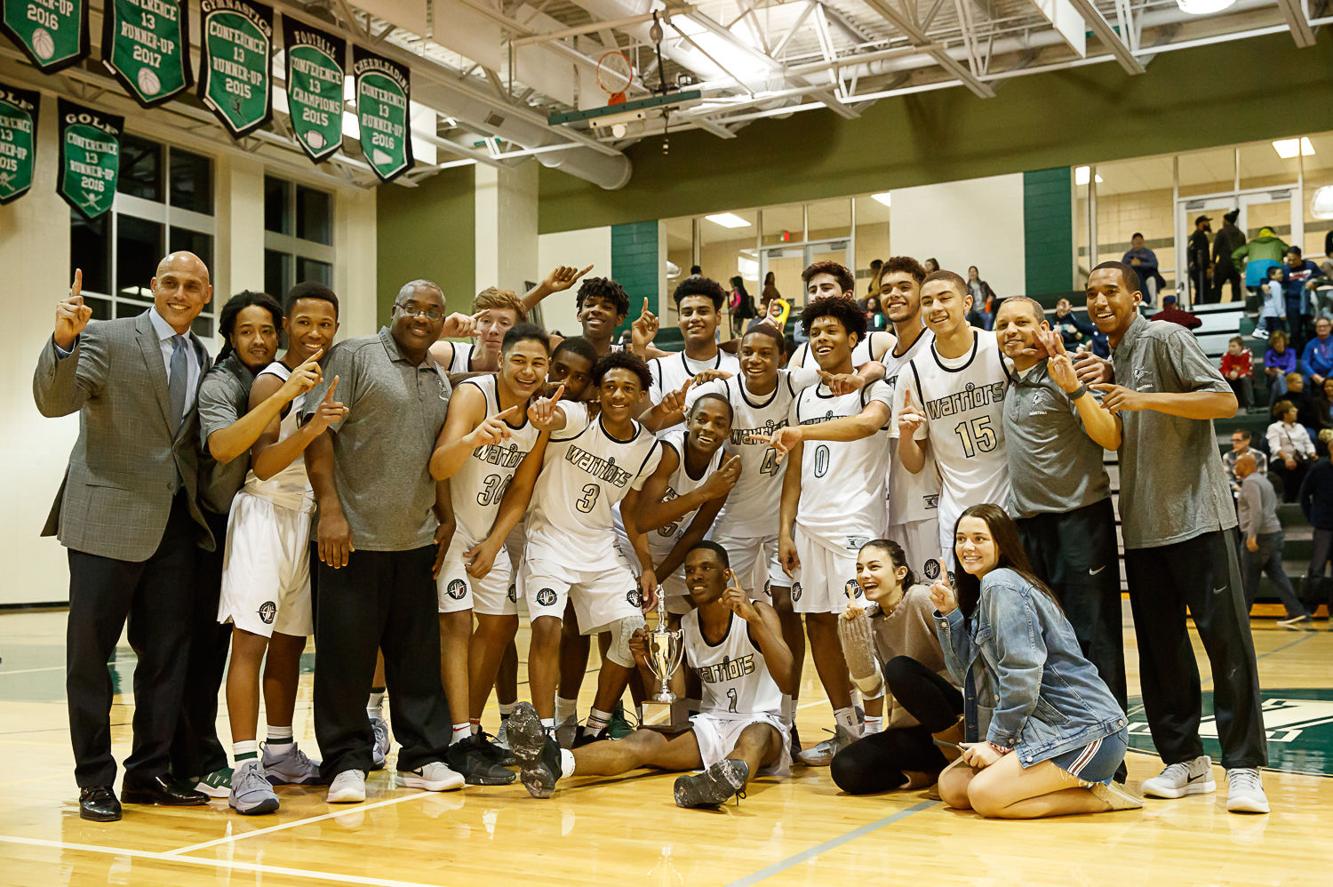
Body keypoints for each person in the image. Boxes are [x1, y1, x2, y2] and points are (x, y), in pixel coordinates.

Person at [33, 255, 215, 822]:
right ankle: (93, 780)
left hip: (174, 526)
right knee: (90, 657)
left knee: (165, 657)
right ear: (153, 287)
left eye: (191, 286)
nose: (179, 293)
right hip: (105, 517)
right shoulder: (106, 337)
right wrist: (63, 342)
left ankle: (148, 774)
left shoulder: (203, 354)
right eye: (169, 283)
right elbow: (53, 401)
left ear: (205, 294)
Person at [1084, 259, 1269, 814]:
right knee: (1163, 653)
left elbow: (1224, 401)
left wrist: (1143, 399)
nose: (1098, 302)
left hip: (1198, 518)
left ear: (1135, 297)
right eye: (1091, 294)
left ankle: (1243, 768)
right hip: (1141, 527)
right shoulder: (1111, 359)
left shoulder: (1165, 336)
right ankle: (1185, 761)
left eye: (1110, 291)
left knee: (1227, 647)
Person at [304, 279, 471, 803]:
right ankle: (346, 762)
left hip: (415, 540)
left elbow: (436, 458)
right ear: (393, 311)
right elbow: (318, 435)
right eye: (411, 308)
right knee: (345, 658)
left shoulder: (439, 378)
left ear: (443, 321)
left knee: (416, 658)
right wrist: (330, 510)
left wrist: (444, 517)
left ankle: (424, 756)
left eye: (432, 311)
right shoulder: (353, 356)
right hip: (350, 539)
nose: (421, 318)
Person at [507, 542, 794, 807]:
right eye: (690, 571)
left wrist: (754, 621)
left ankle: (723, 781)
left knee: (754, 737)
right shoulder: (685, 625)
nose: (696, 576)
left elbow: (788, 679)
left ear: (727, 574)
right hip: (711, 725)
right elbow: (675, 700)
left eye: (706, 568)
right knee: (643, 741)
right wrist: (647, 664)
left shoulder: (759, 612)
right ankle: (553, 763)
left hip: (763, 722)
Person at [477, 352, 664, 747]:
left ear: (641, 395)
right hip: (550, 540)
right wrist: (545, 412)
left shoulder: (649, 449)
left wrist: (645, 564)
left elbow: (632, 511)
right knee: (547, 627)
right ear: (598, 390)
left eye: (628, 388)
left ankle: (595, 725)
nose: (617, 394)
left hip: (599, 546)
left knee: (633, 631)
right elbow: (554, 416)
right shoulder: (578, 417)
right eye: (610, 386)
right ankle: (544, 733)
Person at [217, 283, 344, 814]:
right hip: (264, 514)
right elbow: (263, 463)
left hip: (302, 518)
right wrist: (313, 425)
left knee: (291, 643)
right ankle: (245, 764)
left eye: (326, 324)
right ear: (287, 324)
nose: (315, 332)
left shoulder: (326, 374)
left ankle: (280, 749)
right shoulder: (273, 381)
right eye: (305, 323)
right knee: (251, 641)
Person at [931, 505, 1139, 818]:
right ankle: (1073, 786)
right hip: (1045, 732)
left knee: (984, 796)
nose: (967, 547)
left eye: (979, 538)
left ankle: (1101, 796)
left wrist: (997, 744)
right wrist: (950, 615)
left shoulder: (1002, 583)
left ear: (1002, 544)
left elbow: (1022, 671)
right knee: (953, 787)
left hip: (1087, 731)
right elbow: (969, 676)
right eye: (961, 538)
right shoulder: (988, 590)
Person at [428, 323, 557, 785]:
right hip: (451, 528)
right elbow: (438, 465)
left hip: (488, 534)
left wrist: (496, 541)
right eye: (519, 360)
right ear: (500, 360)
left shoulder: (538, 416)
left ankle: (469, 728)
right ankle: (458, 737)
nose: (528, 370)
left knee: (501, 625)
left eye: (538, 363)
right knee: (457, 623)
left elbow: (520, 492)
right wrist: (471, 440)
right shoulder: (474, 396)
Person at [771, 295, 895, 765]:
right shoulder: (803, 397)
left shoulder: (873, 386)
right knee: (818, 624)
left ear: (854, 339)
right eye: (814, 332)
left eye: (831, 331)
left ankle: (877, 730)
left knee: (857, 627)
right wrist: (785, 529)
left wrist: (803, 433)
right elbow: (794, 473)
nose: (821, 339)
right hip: (809, 526)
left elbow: (868, 426)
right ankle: (846, 729)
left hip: (854, 524)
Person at [177, 290, 288, 800]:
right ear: (229, 336)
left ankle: (216, 754)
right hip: (208, 527)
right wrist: (281, 401)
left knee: (222, 646)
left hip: (256, 522)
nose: (259, 340)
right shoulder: (223, 382)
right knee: (202, 647)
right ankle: (198, 759)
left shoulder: (282, 375)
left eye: (267, 330)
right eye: (247, 331)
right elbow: (223, 446)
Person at [996, 298, 1128, 725]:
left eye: (1022, 322)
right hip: (1028, 529)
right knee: (1045, 641)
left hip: (1079, 523)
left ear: (1045, 327)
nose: (1011, 331)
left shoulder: (1066, 373)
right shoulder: (1011, 383)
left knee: (1094, 638)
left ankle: (1112, 758)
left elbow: (1111, 437)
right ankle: (1063, 742)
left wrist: (1073, 385)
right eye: (1002, 324)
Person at [894, 270, 1011, 571]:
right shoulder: (914, 372)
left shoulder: (999, 348)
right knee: (964, 607)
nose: (936, 308)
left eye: (945, 298)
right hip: (955, 511)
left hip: (1010, 501)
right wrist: (906, 435)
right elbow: (913, 462)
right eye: (927, 302)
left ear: (967, 302)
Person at [829, 540, 962, 794]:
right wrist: (853, 633)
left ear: (900, 573)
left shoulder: (921, 598)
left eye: (874, 567)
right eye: (859, 568)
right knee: (845, 768)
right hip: (916, 730)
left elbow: (963, 654)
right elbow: (870, 688)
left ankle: (958, 759)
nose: (864, 575)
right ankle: (930, 772)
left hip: (956, 713)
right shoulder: (870, 619)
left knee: (900, 669)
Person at [876, 257, 943, 584]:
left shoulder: (936, 348)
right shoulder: (886, 360)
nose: (894, 295)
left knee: (938, 601)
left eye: (904, 287)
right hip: (894, 497)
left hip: (931, 497)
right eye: (886, 289)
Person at [1235, 453, 1314, 629]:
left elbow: (1257, 511)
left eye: (1237, 465)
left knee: (1248, 579)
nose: (1235, 469)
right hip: (1274, 533)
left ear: (1247, 465)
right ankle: (1297, 611)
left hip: (1259, 537)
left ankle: (1240, 619)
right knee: (1277, 575)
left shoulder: (1250, 483)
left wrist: (1251, 535)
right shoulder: (1264, 481)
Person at [645, 277, 740, 409]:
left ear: (718, 317)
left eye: (703, 311)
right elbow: (644, 423)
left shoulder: (739, 365)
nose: (694, 318)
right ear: (679, 319)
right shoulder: (657, 369)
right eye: (687, 313)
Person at [788, 261, 896, 367]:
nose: (817, 295)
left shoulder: (879, 343)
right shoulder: (801, 355)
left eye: (826, 288)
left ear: (847, 296)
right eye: (812, 290)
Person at [1300, 435, 1333, 621]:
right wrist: (1312, 517)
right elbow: (1304, 494)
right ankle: (1309, 608)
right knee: (1317, 569)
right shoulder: (1319, 469)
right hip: (1323, 526)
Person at [1267, 399, 1315, 502]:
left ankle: (1308, 498)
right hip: (1282, 459)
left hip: (1301, 458)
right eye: (1293, 411)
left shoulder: (1300, 427)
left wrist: (1312, 453)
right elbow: (1275, 447)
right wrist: (1287, 458)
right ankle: (1289, 500)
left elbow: (1308, 443)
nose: (1296, 412)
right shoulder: (1274, 427)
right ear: (1285, 414)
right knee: (1290, 469)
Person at [1232, 226, 1288, 295]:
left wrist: (1241, 270)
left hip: (1254, 276)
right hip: (1272, 275)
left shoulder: (1252, 244)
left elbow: (1235, 255)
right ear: (1273, 233)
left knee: (1259, 300)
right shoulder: (1277, 242)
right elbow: (1291, 252)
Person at [1211, 209, 1246, 304]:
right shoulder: (1241, 234)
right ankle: (1236, 305)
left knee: (1218, 286)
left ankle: (1215, 305)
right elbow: (1243, 251)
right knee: (1235, 287)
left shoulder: (1222, 232)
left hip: (1224, 263)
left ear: (1226, 221)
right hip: (1236, 265)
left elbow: (1216, 248)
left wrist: (1212, 262)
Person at [1223, 430, 1269, 498]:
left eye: (1238, 440)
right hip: (1234, 488)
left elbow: (1262, 477)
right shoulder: (1227, 456)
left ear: (1247, 441)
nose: (1234, 443)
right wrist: (1239, 489)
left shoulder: (1260, 456)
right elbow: (1228, 478)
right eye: (1233, 440)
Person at [1122, 233, 1164, 304]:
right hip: (1134, 279)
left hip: (1148, 276)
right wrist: (1132, 265)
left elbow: (1154, 264)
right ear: (1132, 242)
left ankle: (1151, 302)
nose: (1138, 243)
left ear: (1143, 242)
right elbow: (1123, 268)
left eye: (1140, 241)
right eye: (1136, 241)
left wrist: (1140, 264)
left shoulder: (1149, 253)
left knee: (1152, 280)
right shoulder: (1127, 255)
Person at [1220, 336, 1254, 412]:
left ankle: (1250, 405)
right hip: (1231, 378)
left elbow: (1249, 370)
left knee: (1245, 378)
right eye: (1229, 346)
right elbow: (1222, 369)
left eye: (1233, 346)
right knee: (1222, 379)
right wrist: (1229, 373)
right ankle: (1226, 405)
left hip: (1244, 377)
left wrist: (1237, 373)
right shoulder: (1226, 355)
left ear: (1240, 347)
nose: (1230, 348)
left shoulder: (1247, 354)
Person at [1264, 329, 1297, 405]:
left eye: (1280, 342)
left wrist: (1281, 372)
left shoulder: (1291, 352)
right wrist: (1270, 370)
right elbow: (1267, 368)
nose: (1278, 344)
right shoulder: (1269, 353)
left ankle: (1274, 405)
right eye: (1275, 343)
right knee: (1279, 377)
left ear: (1284, 342)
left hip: (1288, 377)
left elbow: (1292, 368)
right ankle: (1286, 401)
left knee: (1276, 386)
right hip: (1273, 378)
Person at [1301, 316, 1333, 389]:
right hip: (1315, 375)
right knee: (1302, 380)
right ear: (1316, 329)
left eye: (1324, 326)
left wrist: (1328, 378)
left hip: (1331, 375)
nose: (1322, 328)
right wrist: (1314, 375)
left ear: (1330, 327)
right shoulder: (1310, 344)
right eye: (1319, 326)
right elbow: (1305, 362)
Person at [964, 266, 999, 330]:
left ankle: (987, 335)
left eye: (974, 271)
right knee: (964, 318)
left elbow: (993, 295)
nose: (972, 273)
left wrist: (990, 298)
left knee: (989, 316)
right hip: (972, 310)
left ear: (977, 273)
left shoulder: (983, 284)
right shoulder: (967, 287)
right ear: (968, 274)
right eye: (970, 272)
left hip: (983, 310)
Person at [1256, 265, 1285, 339]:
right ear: (1272, 276)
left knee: (1272, 336)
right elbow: (1278, 300)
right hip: (1275, 314)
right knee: (1278, 336)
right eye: (1279, 273)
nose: (1282, 275)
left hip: (1268, 313)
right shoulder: (1276, 285)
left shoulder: (1269, 285)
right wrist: (1281, 313)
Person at [1188, 215, 1212, 303]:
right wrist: (1207, 267)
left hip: (1198, 269)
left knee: (1201, 291)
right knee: (1202, 290)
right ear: (1201, 223)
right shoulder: (1199, 236)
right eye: (1207, 222)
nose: (1208, 224)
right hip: (1200, 269)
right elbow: (1202, 254)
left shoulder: (1196, 236)